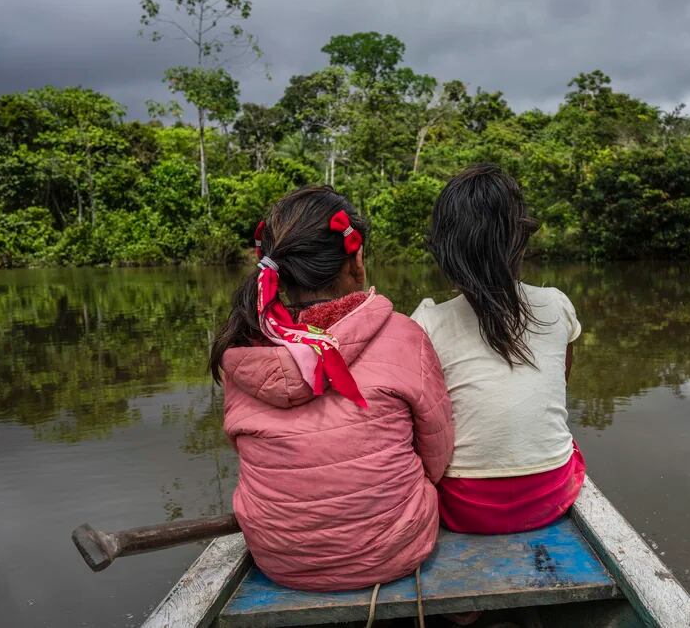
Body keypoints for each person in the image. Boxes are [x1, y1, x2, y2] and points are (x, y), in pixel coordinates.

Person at [209, 185, 454, 592]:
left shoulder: (241, 351)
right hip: (395, 551)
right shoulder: (403, 335)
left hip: (280, 560)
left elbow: (249, 451)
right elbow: (437, 454)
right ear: (356, 260)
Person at [411, 164, 586, 535]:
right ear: (520, 243)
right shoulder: (556, 305)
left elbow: (422, 420)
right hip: (550, 493)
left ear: (446, 253)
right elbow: (561, 382)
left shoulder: (426, 323)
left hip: (463, 506)